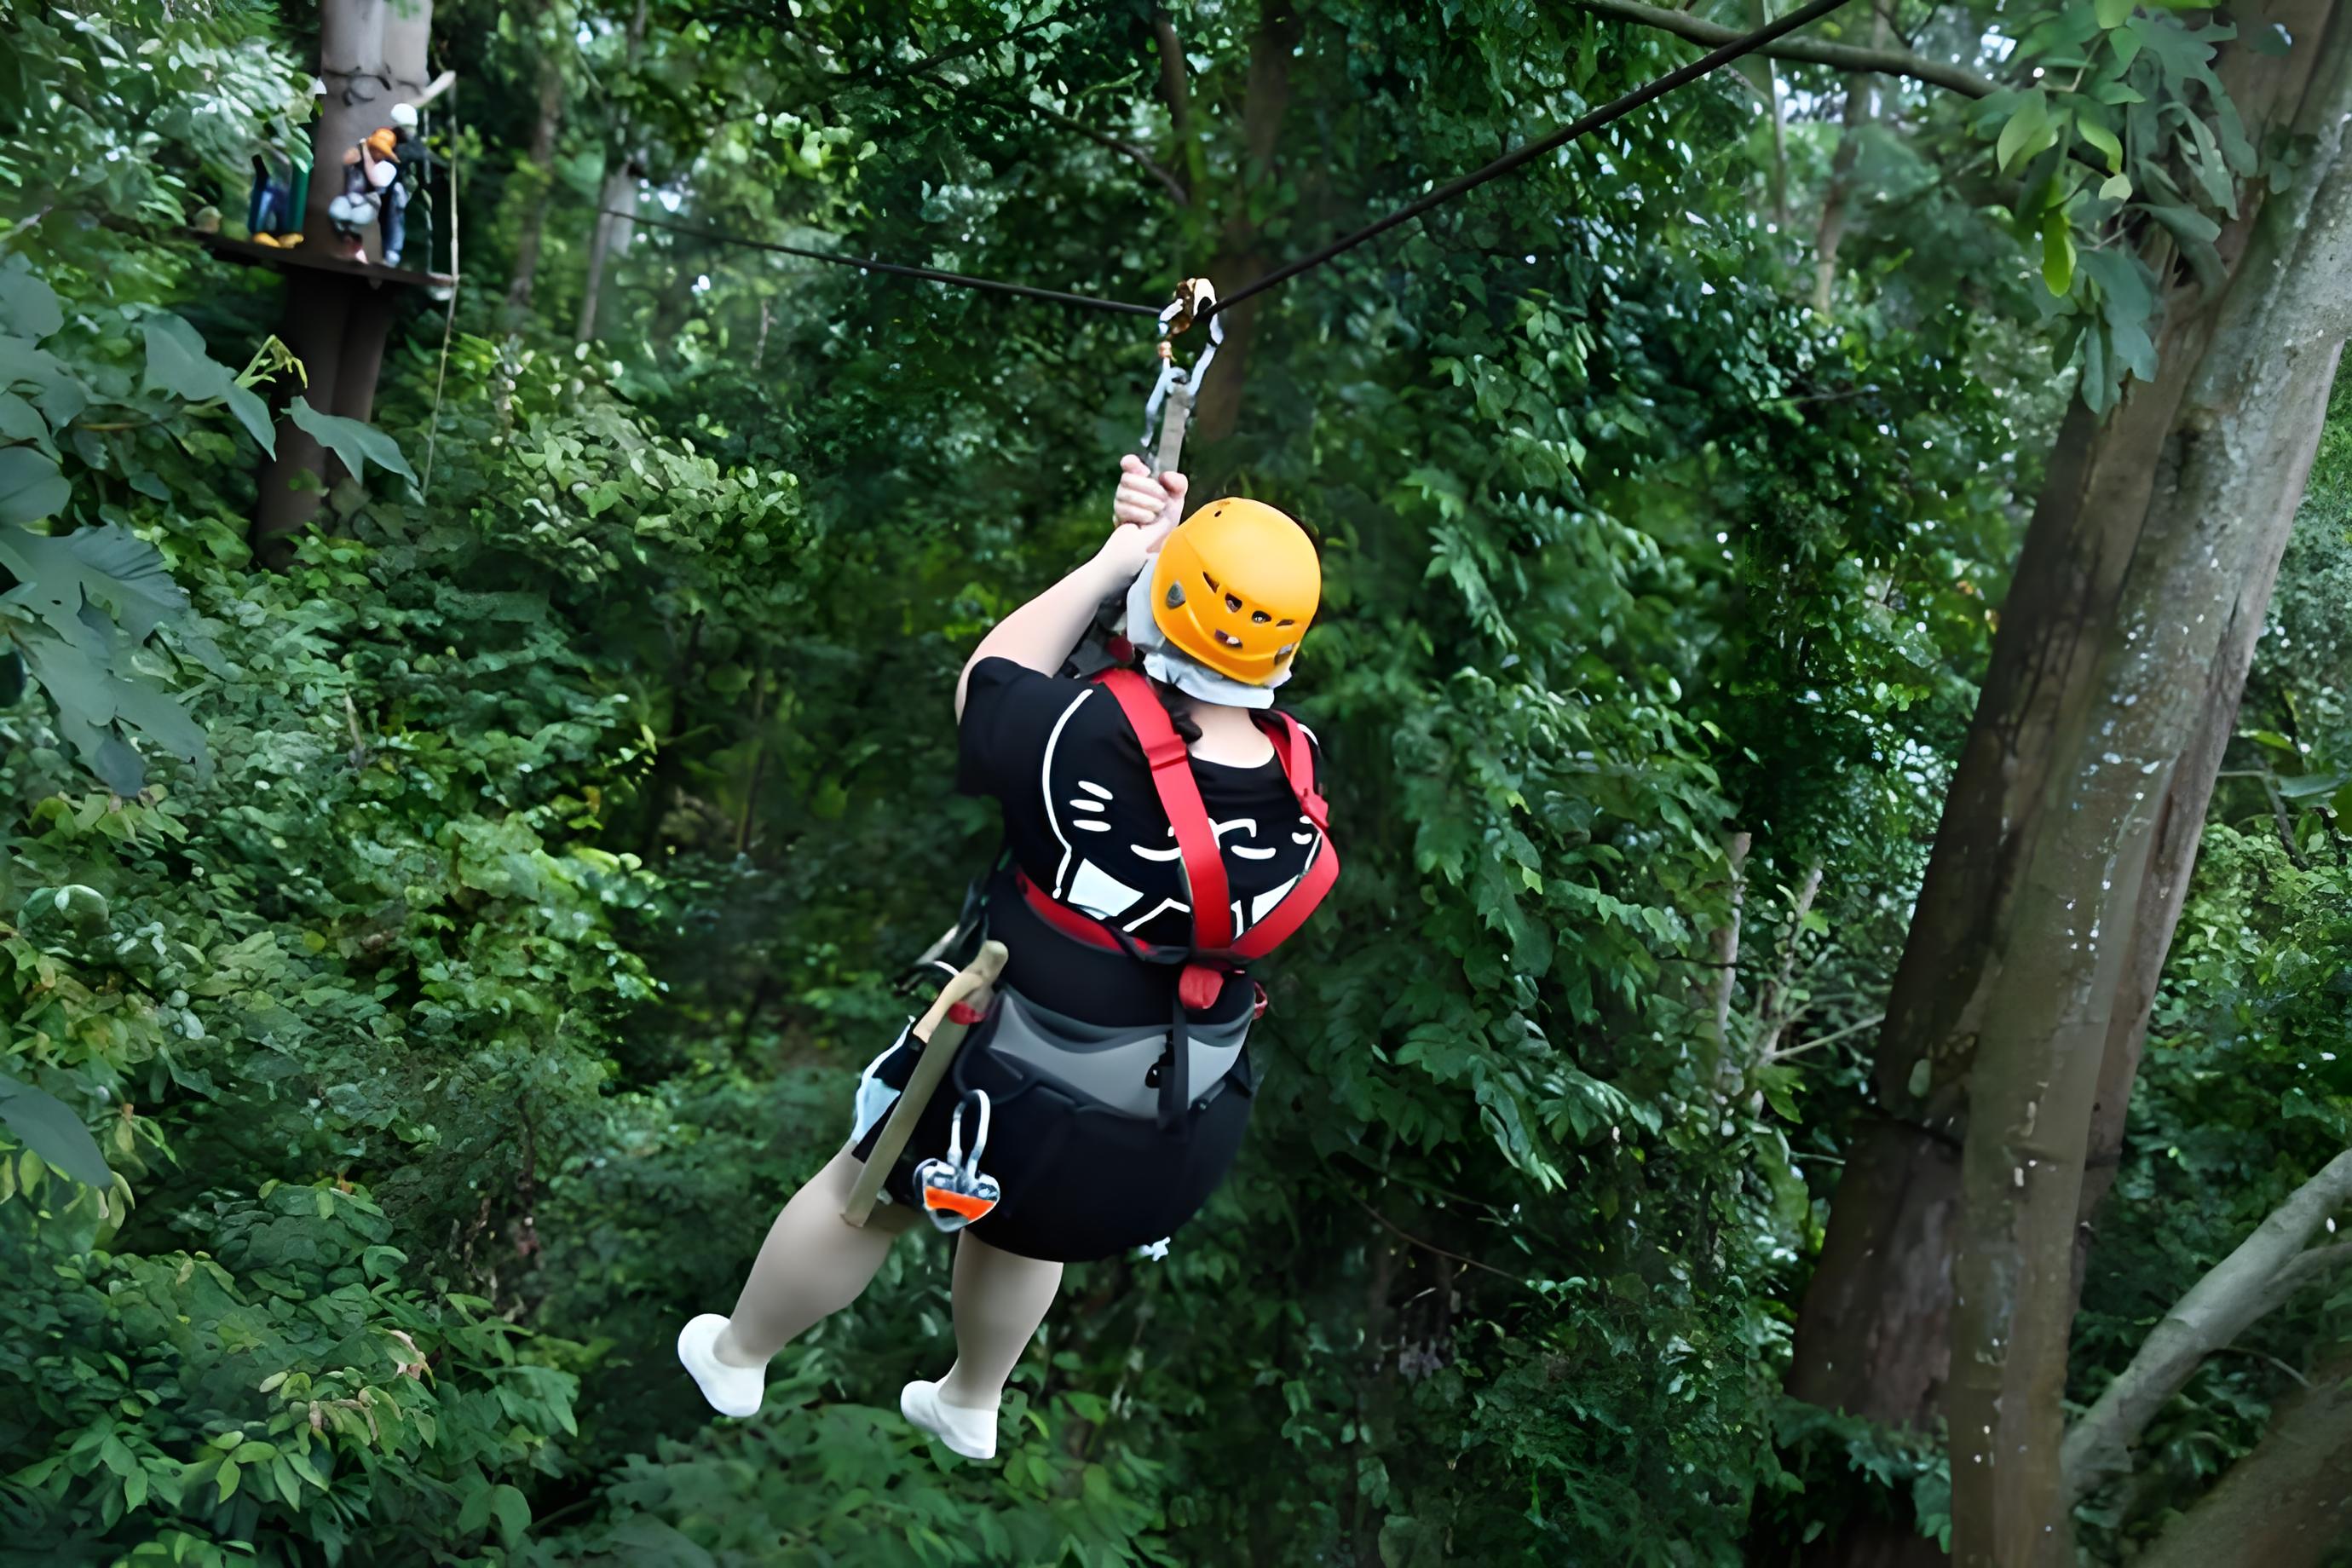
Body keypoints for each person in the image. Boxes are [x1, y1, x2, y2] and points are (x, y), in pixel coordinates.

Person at [677, 456, 1338, 1460]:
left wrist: (1116, 556)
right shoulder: (1298, 766)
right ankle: (973, 1395)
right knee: (1030, 1219)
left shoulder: (1082, 730)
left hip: (1014, 1062)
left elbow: (990, 679)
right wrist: (1152, 576)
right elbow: (1172, 716)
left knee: (868, 1196)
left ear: (1167, 600)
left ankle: (739, 1353)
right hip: (1162, 1103)